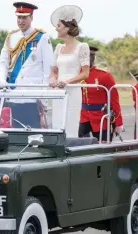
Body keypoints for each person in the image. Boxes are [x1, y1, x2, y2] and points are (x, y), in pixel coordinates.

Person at [0, 1, 54, 128]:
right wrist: (1, 79)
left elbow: (48, 69)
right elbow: (3, 62)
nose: (21, 21)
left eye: (24, 17)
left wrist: (44, 97)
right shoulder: (11, 37)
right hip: (14, 95)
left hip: (33, 97)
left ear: (31, 17)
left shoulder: (42, 37)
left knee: (35, 134)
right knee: (16, 134)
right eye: (18, 17)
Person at [49, 5, 90, 137]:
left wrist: (67, 82)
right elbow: (54, 70)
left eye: (59, 25)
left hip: (72, 90)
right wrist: (53, 79)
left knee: (70, 125)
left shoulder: (82, 47)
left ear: (67, 28)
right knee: (57, 123)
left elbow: (85, 73)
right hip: (58, 91)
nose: (56, 28)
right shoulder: (59, 48)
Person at [79, 45, 123, 141]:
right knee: (79, 144)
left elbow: (114, 101)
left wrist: (118, 123)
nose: (89, 59)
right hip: (83, 117)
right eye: (86, 56)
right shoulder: (77, 75)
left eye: (91, 56)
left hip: (101, 118)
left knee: (103, 146)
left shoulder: (104, 76)